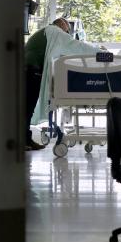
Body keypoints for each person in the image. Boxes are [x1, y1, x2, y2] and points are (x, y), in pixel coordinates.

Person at [24, 18, 100, 150]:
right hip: (30, 69)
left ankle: (25, 139)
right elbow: (76, 45)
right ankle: (23, 140)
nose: (67, 34)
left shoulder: (47, 33)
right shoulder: (55, 31)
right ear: (62, 24)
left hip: (29, 68)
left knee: (27, 106)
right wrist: (99, 53)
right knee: (26, 106)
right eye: (67, 31)